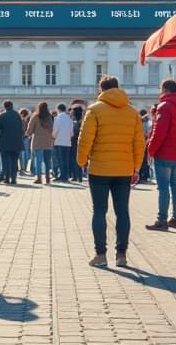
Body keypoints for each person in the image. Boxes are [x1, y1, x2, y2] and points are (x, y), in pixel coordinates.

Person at [77, 76, 144, 268]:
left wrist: (82, 161)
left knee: (99, 210)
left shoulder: (95, 110)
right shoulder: (132, 113)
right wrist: (136, 167)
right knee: (122, 211)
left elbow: (85, 139)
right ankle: (121, 255)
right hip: (124, 169)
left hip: (99, 168)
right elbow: (138, 142)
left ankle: (100, 255)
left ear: (101, 89)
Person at [145, 79, 176, 231]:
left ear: (164, 89)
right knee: (175, 186)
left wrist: (150, 149)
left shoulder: (165, 106)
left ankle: (162, 219)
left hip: (164, 152)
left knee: (163, 187)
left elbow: (159, 132)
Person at [0, 100, 23, 184]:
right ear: (12, 106)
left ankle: (7, 178)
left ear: (4, 106)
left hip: (4, 142)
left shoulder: (2, 116)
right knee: (14, 161)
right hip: (16, 142)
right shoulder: (17, 115)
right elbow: (21, 129)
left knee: (5, 161)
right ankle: (14, 178)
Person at [26, 102, 55, 184]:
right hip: (48, 142)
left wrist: (28, 134)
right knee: (47, 161)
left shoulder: (35, 116)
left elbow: (30, 129)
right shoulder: (49, 117)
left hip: (37, 141)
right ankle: (47, 177)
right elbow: (52, 128)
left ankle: (39, 178)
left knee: (38, 161)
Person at [53, 103, 74, 182]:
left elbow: (55, 130)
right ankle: (66, 176)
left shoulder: (58, 118)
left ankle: (62, 176)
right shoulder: (69, 119)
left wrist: (53, 137)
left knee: (61, 160)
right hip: (68, 142)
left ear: (58, 109)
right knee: (66, 160)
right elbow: (71, 133)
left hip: (59, 141)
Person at [69, 104, 85, 183]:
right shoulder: (82, 121)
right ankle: (78, 176)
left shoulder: (75, 122)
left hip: (74, 143)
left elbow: (73, 133)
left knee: (75, 160)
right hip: (79, 143)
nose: (71, 112)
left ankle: (76, 176)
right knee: (77, 160)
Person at [19, 108, 32, 175]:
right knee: (25, 154)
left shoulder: (24, 121)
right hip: (24, 138)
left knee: (24, 155)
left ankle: (23, 169)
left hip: (23, 138)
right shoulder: (23, 121)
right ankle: (23, 169)